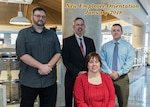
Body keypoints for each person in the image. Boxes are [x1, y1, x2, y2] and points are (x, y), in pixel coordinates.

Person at [16, 7, 61, 107]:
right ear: (32, 17)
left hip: (49, 80)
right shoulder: (23, 34)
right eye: (38, 16)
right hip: (29, 80)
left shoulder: (52, 34)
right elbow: (22, 54)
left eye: (43, 16)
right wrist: (41, 66)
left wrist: (48, 66)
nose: (41, 18)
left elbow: (58, 52)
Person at [62, 17, 96, 107]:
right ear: (73, 27)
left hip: (86, 76)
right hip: (71, 76)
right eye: (77, 25)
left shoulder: (90, 41)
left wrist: (87, 72)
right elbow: (66, 60)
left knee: (83, 100)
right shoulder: (67, 41)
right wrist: (77, 72)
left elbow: (93, 59)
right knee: (69, 100)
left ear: (84, 27)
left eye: (82, 25)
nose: (79, 27)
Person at [100, 24, 135, 107]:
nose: (116, 32)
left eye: (118, 30)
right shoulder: (105, 47)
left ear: (121, 32)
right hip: (107, 77)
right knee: (106, 101)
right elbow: (102, 60)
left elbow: (129, 62)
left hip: (122, 78)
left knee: (123, 102)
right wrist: (109, 72)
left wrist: (118, 73)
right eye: (114, 30)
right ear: (111, 32)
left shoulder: (128, 47)